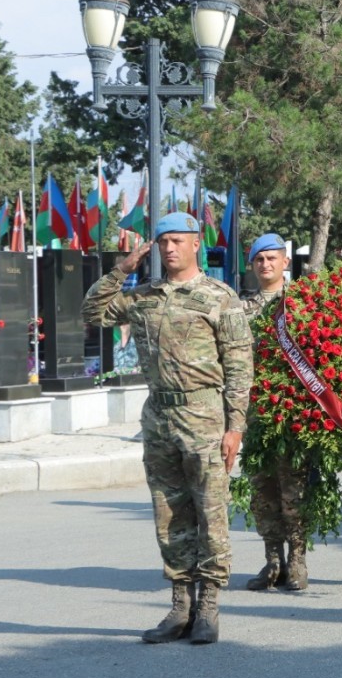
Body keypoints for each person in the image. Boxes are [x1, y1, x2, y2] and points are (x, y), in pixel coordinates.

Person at [82, 212, 252, 645]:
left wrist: (235, 427)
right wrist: (121, 269)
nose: (170, 248)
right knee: (169, 513)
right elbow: (93, 312)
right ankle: (180, 605)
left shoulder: (220, 297)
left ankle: (209, 606)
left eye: (178, 240)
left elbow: (239, 367)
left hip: (204, 415)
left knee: (210, 511)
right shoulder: (143, 297)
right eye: (163, 242)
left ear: (197, 244)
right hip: (159, 416)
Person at [240, 233, 310, 592]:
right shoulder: (240, 308)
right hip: (255, 413)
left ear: (286, 262)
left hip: (292, 412)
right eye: (259, 260)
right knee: (261, 490)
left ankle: (297, 559)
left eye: (272, 258)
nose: (265, 265)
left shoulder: (303, 304)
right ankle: (272, 561)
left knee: (293, 489)